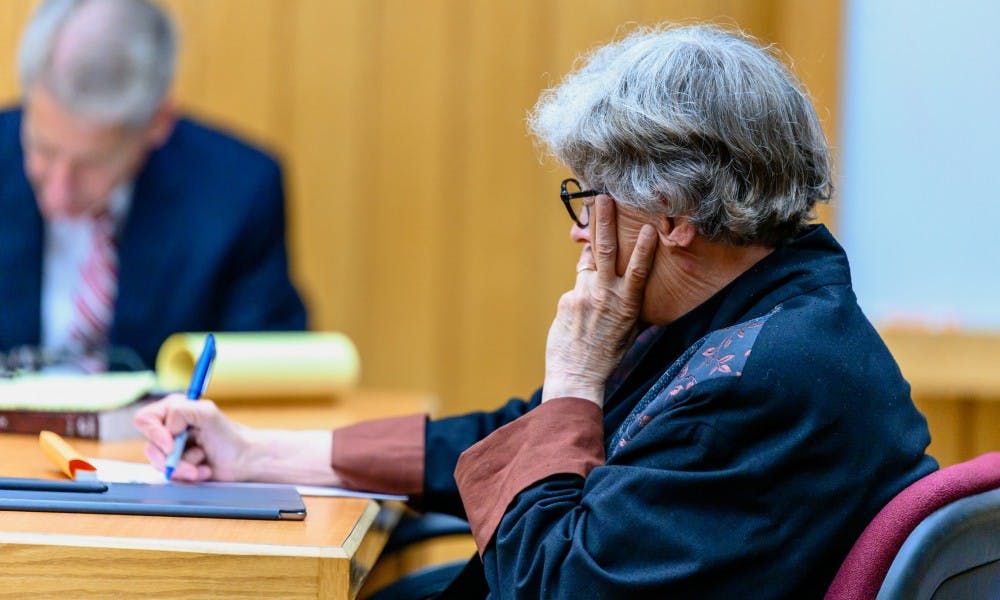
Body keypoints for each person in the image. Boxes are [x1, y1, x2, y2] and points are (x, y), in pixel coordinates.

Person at [135, 24, 937, 598]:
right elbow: (526, 443)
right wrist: (258, 455)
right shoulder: (751, 313)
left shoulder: (768, 376)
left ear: (673, 217)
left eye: (591, 198)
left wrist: (576, 378)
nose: (579, 229)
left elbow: (552, 581)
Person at [0, 0, 306, 371]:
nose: (59, 193)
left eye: (92, 163)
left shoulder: (237, 193)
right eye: (43, 150)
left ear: (157, 123)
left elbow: (267, 367)